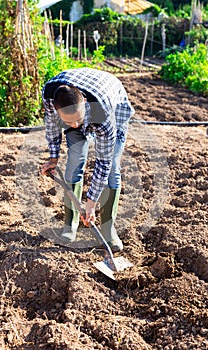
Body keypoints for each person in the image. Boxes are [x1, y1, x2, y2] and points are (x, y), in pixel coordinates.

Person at [41, 68, 134, 252]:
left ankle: (108, 229)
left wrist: (90, 203)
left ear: (83, 102)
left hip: (112, 103)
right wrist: (53, 157)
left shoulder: (104, 112)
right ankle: (71, 224)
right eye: (68, 122)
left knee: (113, 169)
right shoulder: (51, 97)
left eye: (77, 120)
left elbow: (103, 163)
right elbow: (52, 125)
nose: (75, 126)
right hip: (80, 103)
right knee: (74, 160)